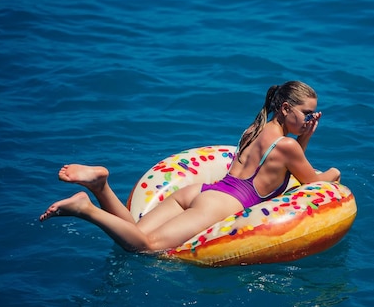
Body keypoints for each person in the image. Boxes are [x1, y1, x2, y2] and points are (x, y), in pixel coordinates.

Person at [39, 80, 341, 253]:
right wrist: (334, 173)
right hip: (220, 206)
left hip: (201, 191)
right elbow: (313, 182)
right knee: (145, 247)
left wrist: (304, 135)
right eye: (308, 114)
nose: (311, 120)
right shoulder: (288, 146)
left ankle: (100, 186)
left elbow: (285, 171)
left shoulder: (256, 130)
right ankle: (85, 209)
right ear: (286, 108)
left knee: (133, 230)